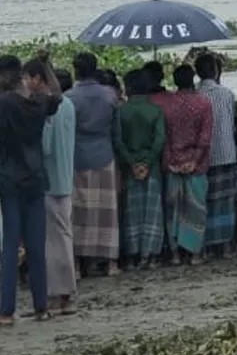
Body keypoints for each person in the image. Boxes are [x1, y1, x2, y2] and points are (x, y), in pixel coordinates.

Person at [0, 54, 62, 325]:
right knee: (37, 247)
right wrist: (45, 65)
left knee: (10, 246)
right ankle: (41, 307)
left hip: (9, 180)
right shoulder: (37, 103)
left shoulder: (3, 105)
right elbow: (57, 93)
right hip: (36, 179)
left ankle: (5, 310)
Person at [66, 53, 123, 275]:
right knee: (107, 212)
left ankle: (79, 264)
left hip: (77, 156)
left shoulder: (69, 97)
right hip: (104, 155)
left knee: (79, 212)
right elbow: (116, 133)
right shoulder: (109, 95)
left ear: (76, 71)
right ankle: (110, 263)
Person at [156, 65, 213, 264]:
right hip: (196, 165)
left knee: (174, 211)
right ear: (193, 79)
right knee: (196, 210)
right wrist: (194, 161)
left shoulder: (166, 105)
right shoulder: (203, 104)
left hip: (172, 164)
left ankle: (175, 254)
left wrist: (172, 161)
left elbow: (164, 138)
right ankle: (195, 253)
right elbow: (205, 138)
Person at [118, 70, 166, 269]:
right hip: (152, 169)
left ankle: (132, 256)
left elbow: (118, 141)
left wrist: (132, 163)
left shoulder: (121, 111)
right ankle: (151, 256)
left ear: (128, 88)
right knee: (152, 213)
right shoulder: (155, 111)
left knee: (131, 214)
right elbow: (160, 139)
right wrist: (147, 162)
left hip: (130, 169)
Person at [40, 67, 76, 313]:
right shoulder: (70, 105)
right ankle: (66, 293)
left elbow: (45, 147)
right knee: (63, 235)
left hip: (49, 180)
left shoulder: (48, 110)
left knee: (53, 240)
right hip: (65, 176)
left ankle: (59, 293)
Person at [194, 54, 237, 256]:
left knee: (204, 202)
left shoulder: (195, 96)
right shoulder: (227, 93)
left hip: (203, 157)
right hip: (226, 153)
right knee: (225, 202)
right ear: (216, 71)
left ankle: (205, 245)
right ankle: (226, 245)